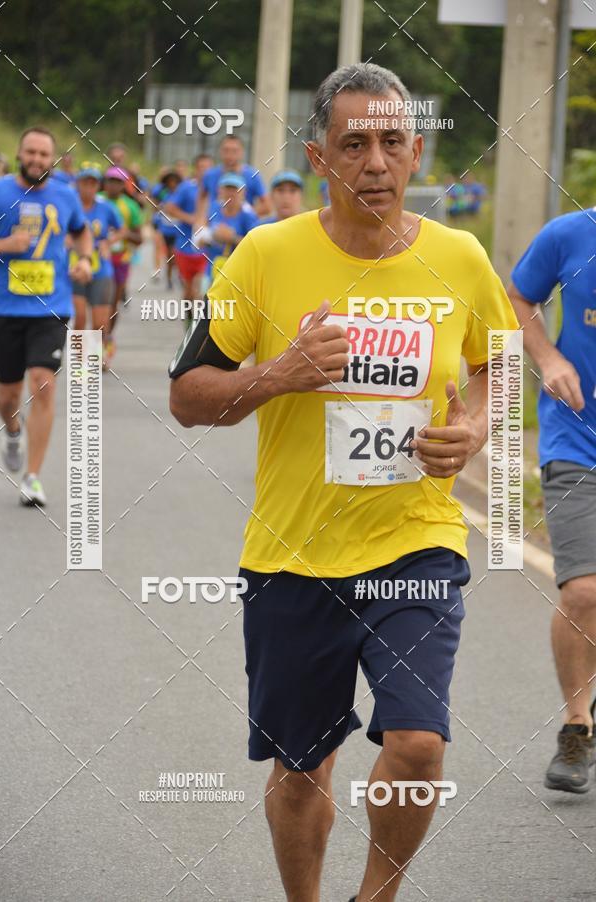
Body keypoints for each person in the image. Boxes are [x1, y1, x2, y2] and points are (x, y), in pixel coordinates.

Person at [169, 62, 518, 900]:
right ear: (318, 159)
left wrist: (473, 425)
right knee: (300, 769)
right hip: (293, 557)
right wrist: (280, 373)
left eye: (392, 143)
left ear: (418, 153)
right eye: (353, 144)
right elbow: (188, 397)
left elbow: (498, 367)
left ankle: (377, 894)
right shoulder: (266, 255)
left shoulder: (459, 259)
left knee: (419, 743)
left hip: (416, 546)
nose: (375, 163)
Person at [509, 211, 596, 794]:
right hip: (576, 439)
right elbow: (516, 295)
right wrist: (548, 358)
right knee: (585, 590)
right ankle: (577, 725)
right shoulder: (571, 233)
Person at [0, 126, 92, 506]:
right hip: (4, 308)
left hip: (51, 307)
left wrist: (84, 259)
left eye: (43, 154)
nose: (37, 159)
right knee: (7, 396)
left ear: (53, 159)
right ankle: (13, 429)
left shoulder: (66, 195)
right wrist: (6, 245)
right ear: (20, 154)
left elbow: (82, 234)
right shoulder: (0, 191)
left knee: (43, 383)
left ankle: (32, 478)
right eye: (30, 152)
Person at [70, 163, 123, 355]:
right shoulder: (71, 204)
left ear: (98, 186)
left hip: (101, 270)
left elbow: (121, 229)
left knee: (100, 322)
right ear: (78, 184)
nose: (89, 188)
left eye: (93, 183)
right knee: (80, 318)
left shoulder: (106, 207)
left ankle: (98, 352)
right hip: (75, 269)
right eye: (85, 183)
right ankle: (79, 362)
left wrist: (108, 242)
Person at [101, 166, 143, 364]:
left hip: (120, 260)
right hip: (97, 260)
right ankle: (90, 354)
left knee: (112, 304)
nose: (113, 185)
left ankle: (107, 338)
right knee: (94, 305)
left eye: (118, 182)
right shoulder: (97, 200)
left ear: (124, 185)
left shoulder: (130, 206)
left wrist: (126, 234)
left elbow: (139, 238)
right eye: (110, 181)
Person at [164, 158, 209, 310]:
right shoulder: (186, 188)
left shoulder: (219, 188)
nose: (204, 171)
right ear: (195, 169)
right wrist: (191, 219)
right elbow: (169, 208)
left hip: (207, 249)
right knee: (188, 292)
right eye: (201, 167)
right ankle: (189, 324)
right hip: (185, 246)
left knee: (199, 289)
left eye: (208, 168)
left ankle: (199, 327)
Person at [201, 173, 258, 283]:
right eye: (227, 189)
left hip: (236, 274)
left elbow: (255, 245)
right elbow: (203, 232)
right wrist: (210, 237)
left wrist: (232, 238)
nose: (231, 194)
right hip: (212, 269)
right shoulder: (214, 207)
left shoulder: (248, 215)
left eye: (235, 190)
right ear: (220, 191)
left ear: (243, 193)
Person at [197, 134, 270, 217]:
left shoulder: (252, 175)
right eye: (226, 150)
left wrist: (243, 218)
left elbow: (267, 206)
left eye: (234, 151)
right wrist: (201, 219)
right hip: (215, 227)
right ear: (220, 151)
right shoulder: (209, 175)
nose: (230, 155)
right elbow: (201, 198)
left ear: (242, 152)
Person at [151, 168, 182, 287]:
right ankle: (168, 278)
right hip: (164, 228)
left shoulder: (181, 194)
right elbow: (156, 206)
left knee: (174, 254)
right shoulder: (163, 193)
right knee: (166, 253)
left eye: (175, 181)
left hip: (178, 229)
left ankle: (176, 275)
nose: (172, 184)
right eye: (170, 181)